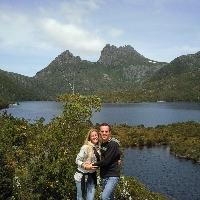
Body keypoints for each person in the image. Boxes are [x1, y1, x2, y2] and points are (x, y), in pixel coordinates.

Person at [89, 123, 121, 200]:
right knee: (110, 197)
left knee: (104, 197)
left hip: (112, 176)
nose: (104, 133)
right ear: (99, 132)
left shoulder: (112, 144)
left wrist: (91, 165)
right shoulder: (102, 144)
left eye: (106, 131)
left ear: (110, 132)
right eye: (102, 131)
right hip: (104, 176)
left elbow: (106, 161)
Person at [74, 128, 100, 200]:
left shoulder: (98, 148)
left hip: (92, 176)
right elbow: (77, 160)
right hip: (82, 176)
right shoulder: (85, 147)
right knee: (81, 198)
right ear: (90, 138)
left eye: (96, 135)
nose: (95, 137)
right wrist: (84, 166)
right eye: (92, 136)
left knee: (90, 198)